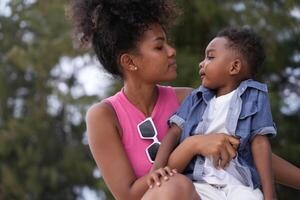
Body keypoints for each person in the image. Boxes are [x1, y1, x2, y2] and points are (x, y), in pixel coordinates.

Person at [67, 0, 300, 199]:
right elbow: (129, 195)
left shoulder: (189, 98)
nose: (171, 51)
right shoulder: (104, 116)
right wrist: (191, 145)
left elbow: (244, 149)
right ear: (130, 62)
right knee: (175, 186)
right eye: (159, 47)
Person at [148, 27, 276, 200]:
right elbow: (174, 132)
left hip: (238, 185)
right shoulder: (195, 98)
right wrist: (157, 168)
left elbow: (260, 145)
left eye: (210, 57)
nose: (202, 63)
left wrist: (270, 194)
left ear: (234, 66)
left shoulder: (255, 97)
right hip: (198, 182)